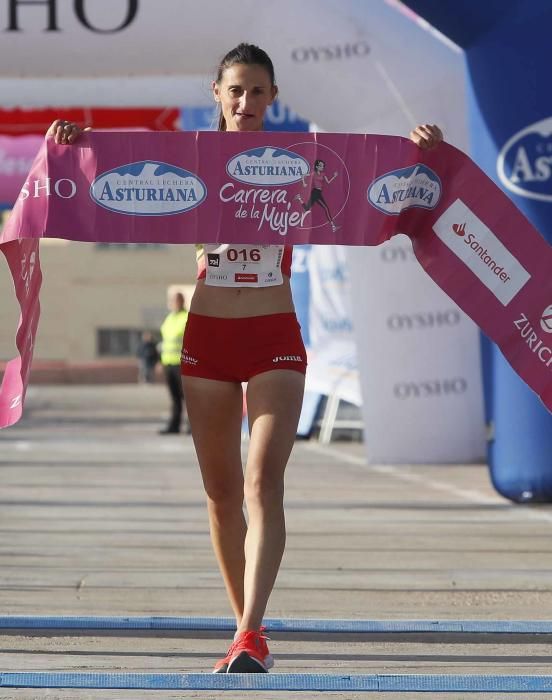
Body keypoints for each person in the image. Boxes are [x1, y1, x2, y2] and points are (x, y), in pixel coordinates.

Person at [46, 43, 443, 674]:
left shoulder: (302, 162)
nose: (246, 102)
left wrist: (419, 150)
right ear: (217, 94)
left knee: (263, 480)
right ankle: (241, 627)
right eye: (236, 90)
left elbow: (377, 181)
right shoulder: (189, 159)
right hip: (207, 335)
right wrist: (72, 141)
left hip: (273, 336)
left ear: (272, 96)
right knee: (221, 491)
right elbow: (111, 173)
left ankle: (252, 633)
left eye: (258, 91)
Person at [159, 291, 188, 434]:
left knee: (187, 397)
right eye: (172, 301)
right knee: (175, 397)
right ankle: (174, 426)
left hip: (181, 363)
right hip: (168, 363)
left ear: (182, 301)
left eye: (176, 300)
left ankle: (191, 426)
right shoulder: (169, 318)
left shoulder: (186, 317)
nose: (174, 303)